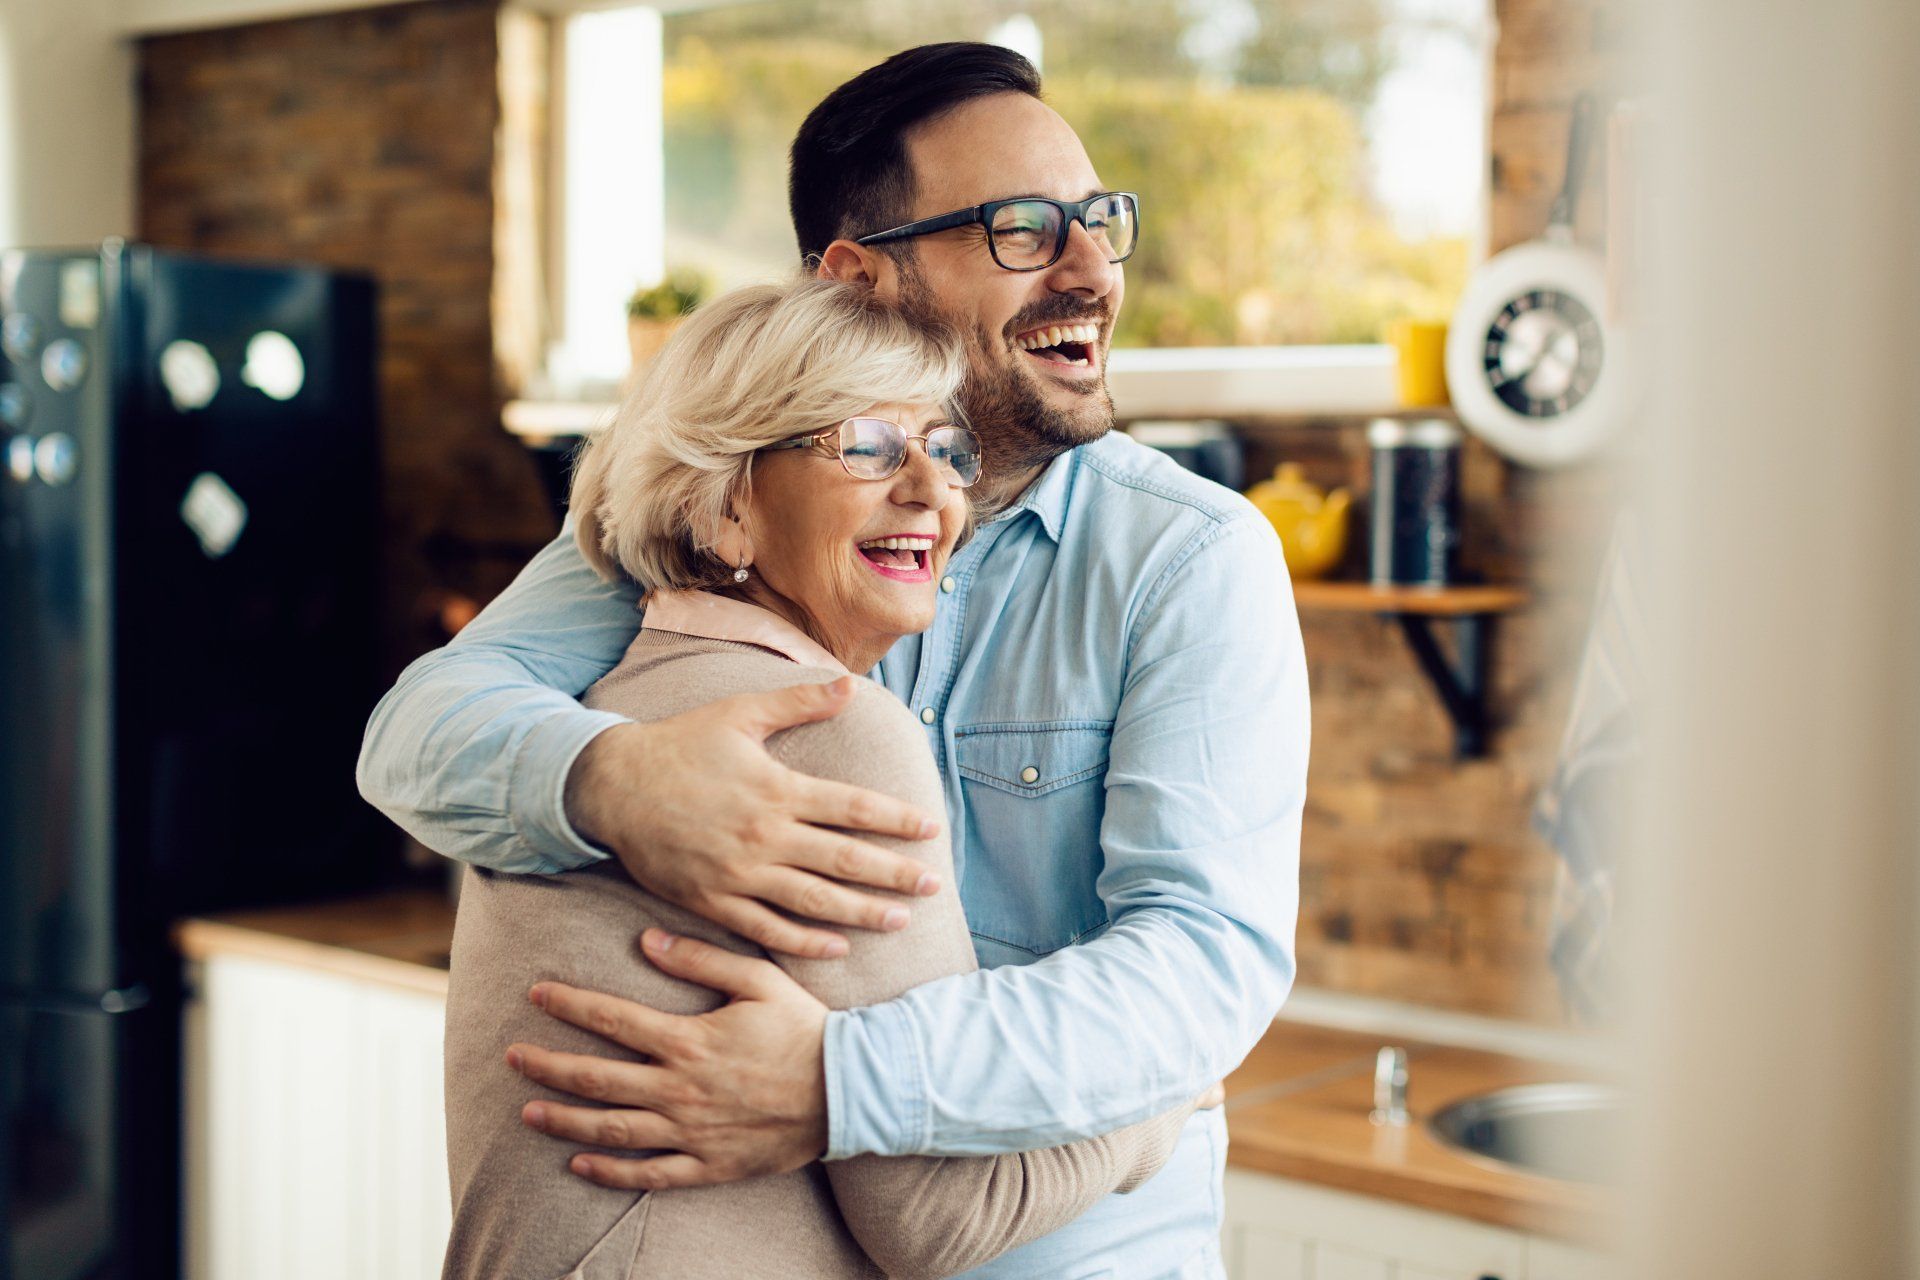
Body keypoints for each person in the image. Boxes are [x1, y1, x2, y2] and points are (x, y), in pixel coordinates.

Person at [359, 41, 1308, 1279]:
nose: (1089, 271)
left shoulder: (1188, 557)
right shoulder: (725, 505)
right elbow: (418, 730)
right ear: (859, 278)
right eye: (1022, 230)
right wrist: (614, 783)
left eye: (1097, 222)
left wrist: (834, 1081)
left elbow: (1203, 964)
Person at [443, 278, 1205, 1280]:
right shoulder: (830, 730)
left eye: (944, 447)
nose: (934, 493)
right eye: (867, 446)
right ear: (723, 510)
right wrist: (1164, 1099)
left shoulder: (598, 702)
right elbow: (936, 1217)